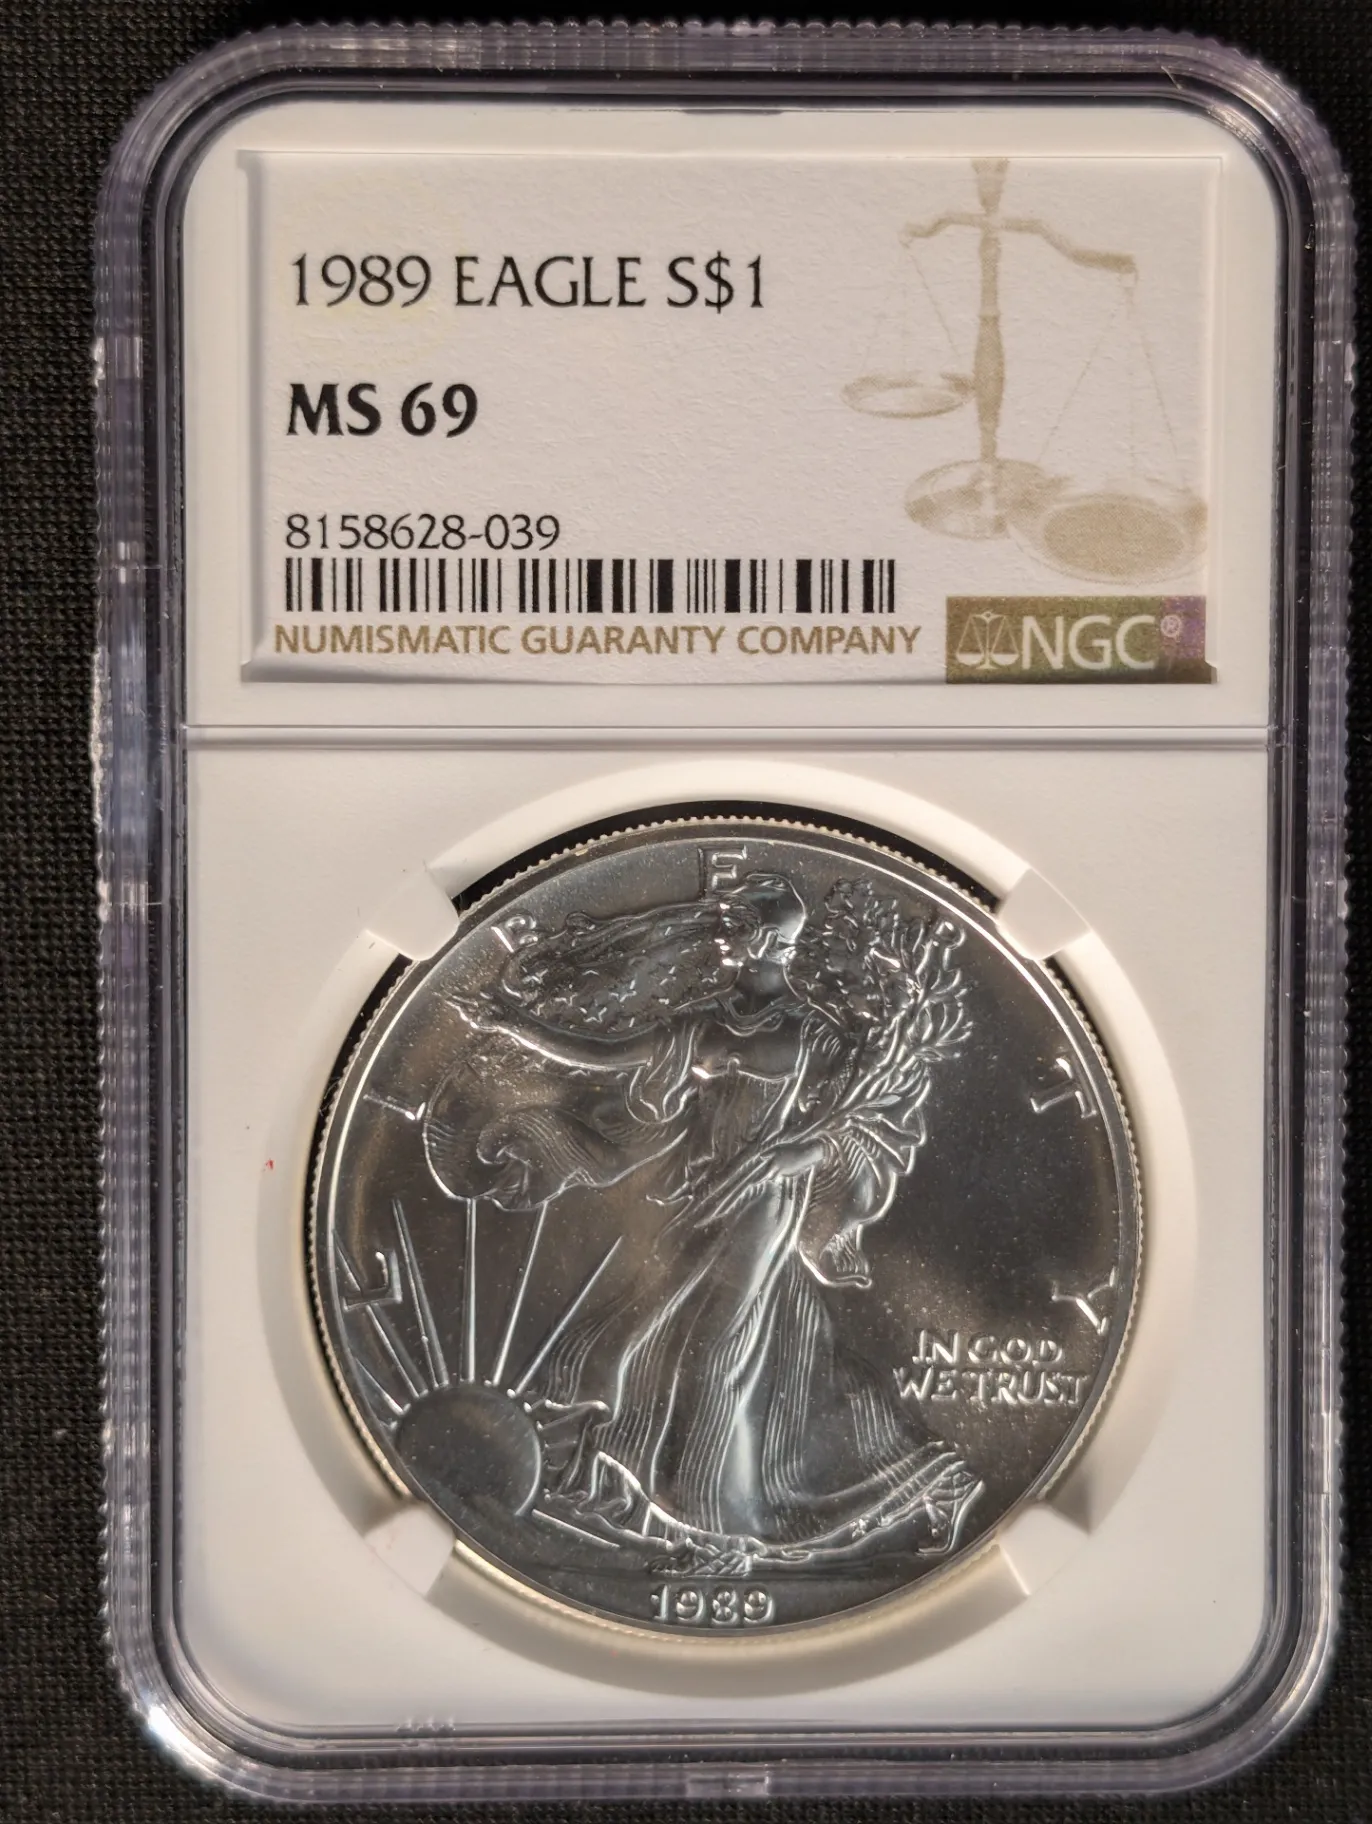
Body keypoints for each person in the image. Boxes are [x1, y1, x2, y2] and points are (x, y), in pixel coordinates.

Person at [424, 869, 982, 1571]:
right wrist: (511, 1025)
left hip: (761, 1207)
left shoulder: (814, 1032)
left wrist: (797, 1153)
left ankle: (724, 1538)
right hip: (703, 1200)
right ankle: (921, 1481)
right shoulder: (707, 1022)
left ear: (768, 942)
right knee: (648, 1346)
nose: (721, 939)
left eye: (737, 928)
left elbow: (865, 1124)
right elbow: (607, 1056)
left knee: (711, 1361)